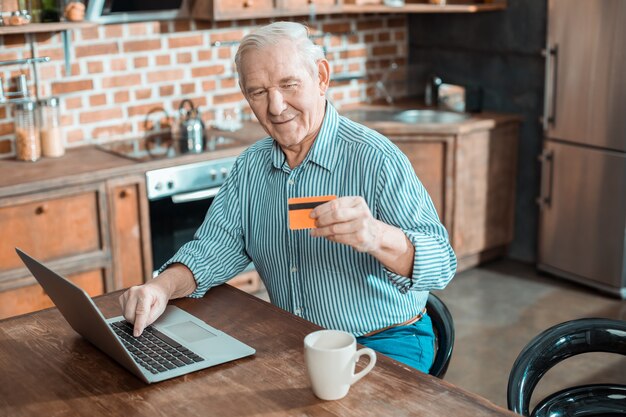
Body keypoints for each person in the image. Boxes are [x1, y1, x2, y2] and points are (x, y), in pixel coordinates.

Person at [120, 21, 457, 373]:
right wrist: (160, 287)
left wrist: (377, 236)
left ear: (321, 78)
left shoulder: (377, 159)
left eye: (288, 84)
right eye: (258, 92)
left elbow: (442, 267)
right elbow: (210, 251)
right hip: (297, 340)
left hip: (385, 340)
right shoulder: (251, 167)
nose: (276, 106)